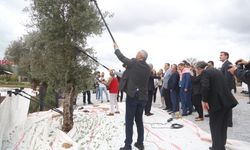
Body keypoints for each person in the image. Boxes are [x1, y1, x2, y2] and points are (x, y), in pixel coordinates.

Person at [114, 43, 151, 150]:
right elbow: (131, 74)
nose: (136, 54)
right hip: (143, 97)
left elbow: (122, 57)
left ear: (141, 56)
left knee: (129, 121)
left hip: (133, 96)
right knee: (139, 120)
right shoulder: (147, 68)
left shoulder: (134, 63)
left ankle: (127, 145)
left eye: (138, 53)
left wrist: (116, 48)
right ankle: (140, 143)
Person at [195, 61, 238, 150]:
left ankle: (217, 147)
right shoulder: (215, 70)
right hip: (226, 101)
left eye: (197, 70)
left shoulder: (205, 72)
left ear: (200, 68)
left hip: (217, 103)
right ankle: (221, 144)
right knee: (222, 124)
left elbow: (205, 86)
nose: (197, 72)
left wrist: (204, 100)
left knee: (215, 125)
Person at [219, 51, 235, 127]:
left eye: (221, 55)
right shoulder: (225, 64)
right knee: (225, 104)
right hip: (225, 88)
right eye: (220, 55)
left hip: (227, 88)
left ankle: (229, 122)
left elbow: (228, 78)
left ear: (226, 56)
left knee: (228, 104)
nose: (220, 56)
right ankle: (226, 120)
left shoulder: (228, 64)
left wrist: (225, 89)